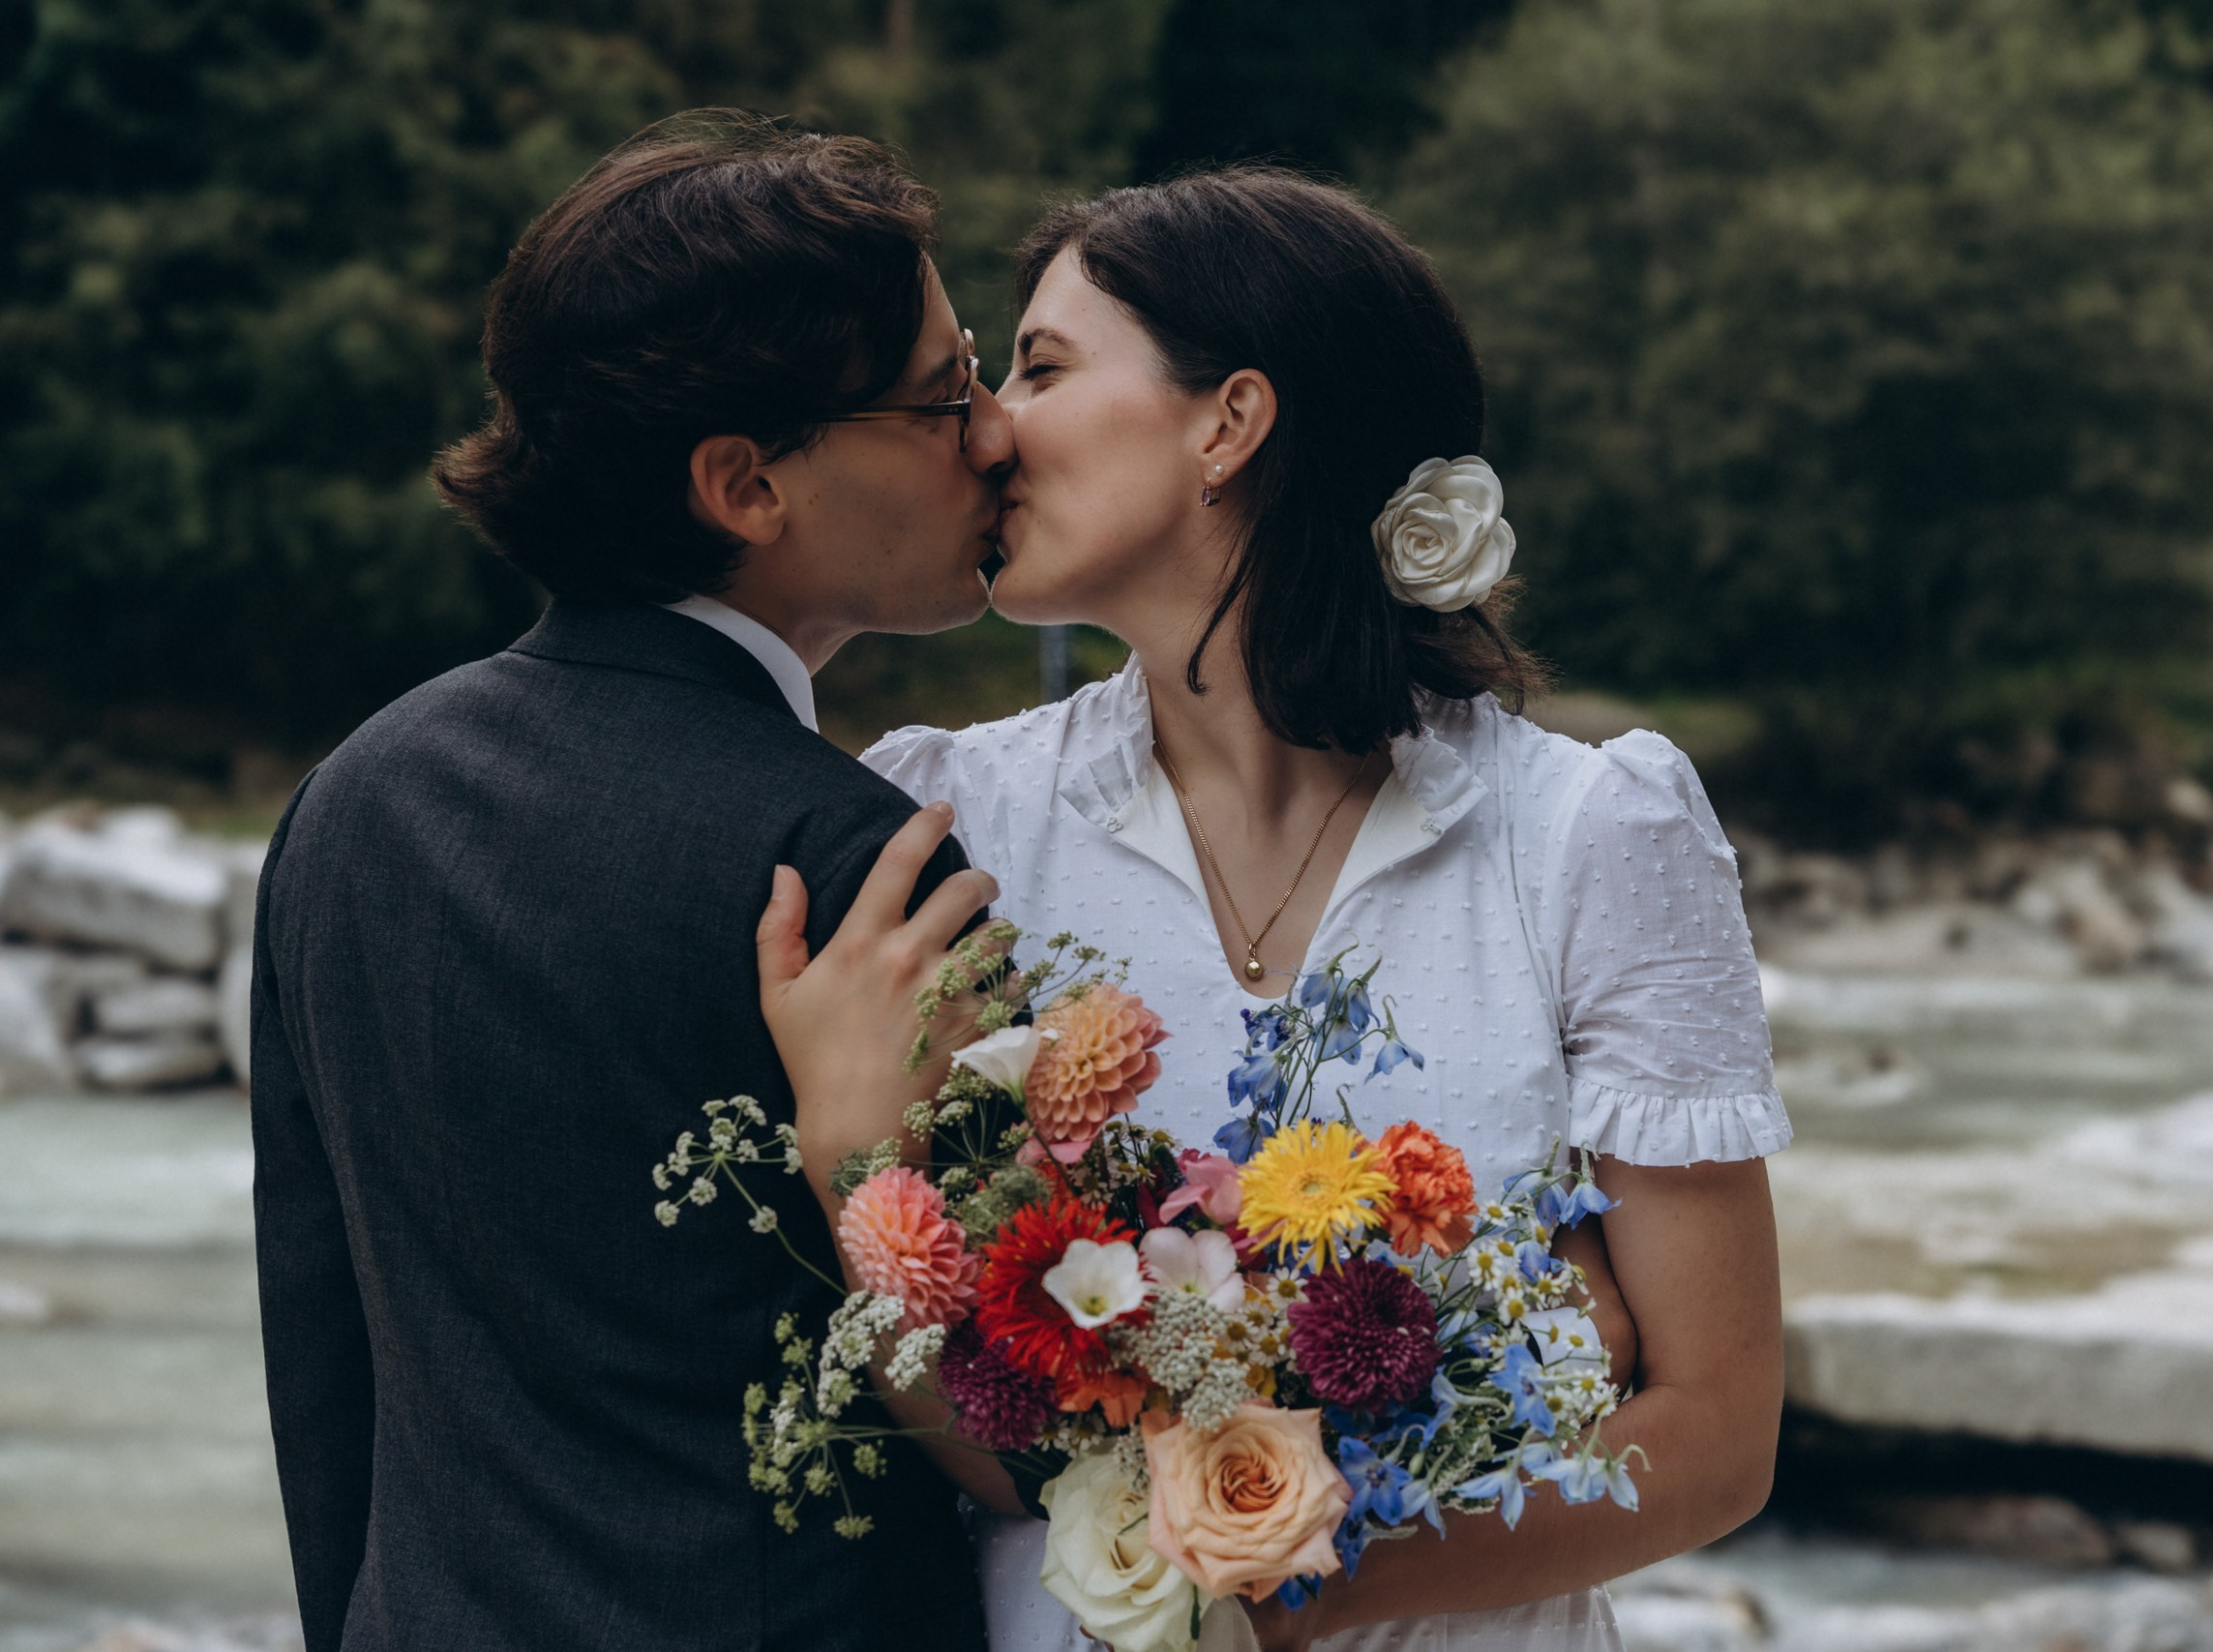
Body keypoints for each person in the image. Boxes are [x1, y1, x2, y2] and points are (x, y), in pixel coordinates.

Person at [762, 168, 1790, 1651]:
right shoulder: (949, 822)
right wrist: (853, 1162)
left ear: (1228, 424)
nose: (987, 431)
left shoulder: (1589, 834)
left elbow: (1712, 1437)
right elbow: (977, 1431)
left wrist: (1271, 1590)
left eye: (1042, 370)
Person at [249, 110, 1009, 1651]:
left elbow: (320, 1362)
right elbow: (1023, 1430)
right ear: (744, 484)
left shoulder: (351, 799)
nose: (995, 432)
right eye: (944, 396)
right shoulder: (857, 872)